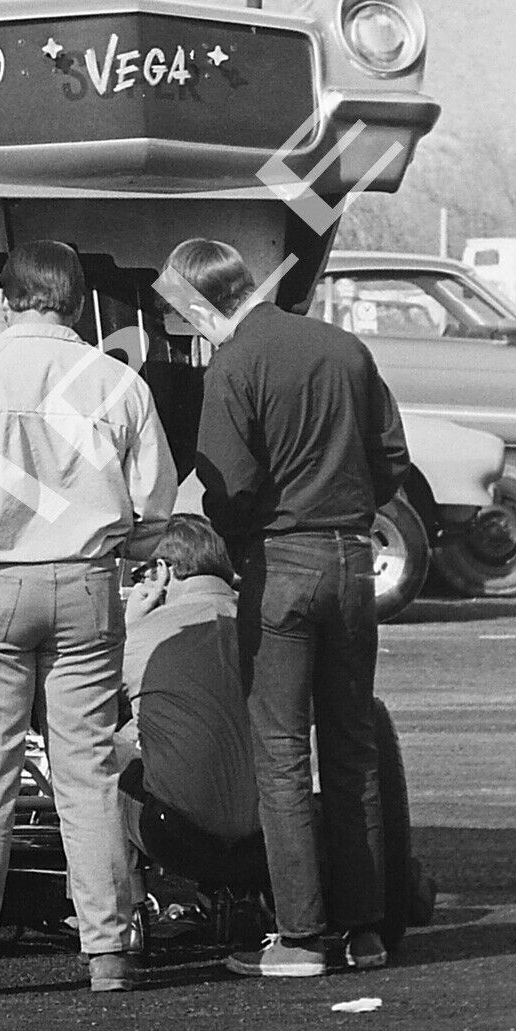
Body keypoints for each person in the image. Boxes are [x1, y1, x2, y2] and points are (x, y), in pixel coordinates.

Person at [0, 240, 178, 995]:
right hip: (87, 585)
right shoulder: (118, 382)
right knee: (85, 769)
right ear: (78, 296)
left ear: (6, 294)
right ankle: (108, 946)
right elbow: (155, 504)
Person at [166, 238, 409, 976]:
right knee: (351, 746)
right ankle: (365, 929)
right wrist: (350, 504)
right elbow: (392, 456)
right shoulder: (344, 347)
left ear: (204, 303)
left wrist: (243, 542)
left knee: (279, 754)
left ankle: (302, 936)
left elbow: (227, 486)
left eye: (183, 315)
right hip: (352, 559)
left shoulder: (234, 363)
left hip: (279, 563)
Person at [116, 514, 261, 876]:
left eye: (141, 574)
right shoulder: (270, 628)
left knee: (84, 758)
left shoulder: (146, 635)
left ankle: (117, 911)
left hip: (177, 834)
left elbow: (82, 710)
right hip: (269, 833)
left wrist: (129, 628)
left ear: (161, 571)